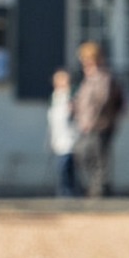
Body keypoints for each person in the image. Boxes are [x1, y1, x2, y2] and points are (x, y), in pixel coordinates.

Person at [72, 41, 125, 199]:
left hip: (101, 125)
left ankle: (100, 189)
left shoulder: (103, 77)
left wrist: (91, 121)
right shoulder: (87, 79)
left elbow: (103, 100)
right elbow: (82, 101)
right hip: (86, 125)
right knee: (82, 154)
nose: (84, 63)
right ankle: (96, 186)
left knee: (98, 157)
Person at [47, 68, 79, 198]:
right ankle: (64, 193)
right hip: (58, 139)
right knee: (62, 169)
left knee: (67, 168)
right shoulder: (54, 98)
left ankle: (69, 194)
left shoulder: (72, 97)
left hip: (71, 139)